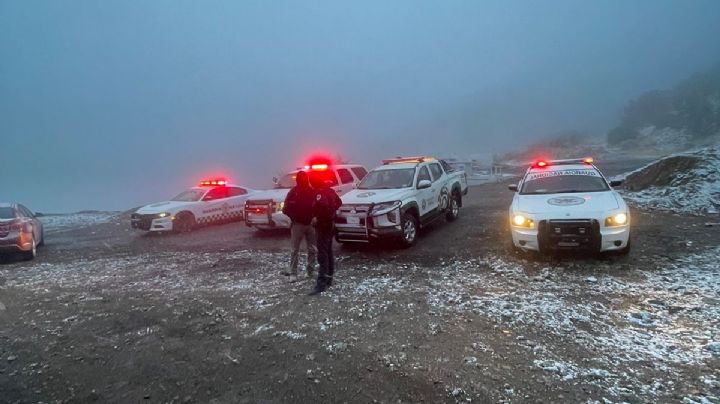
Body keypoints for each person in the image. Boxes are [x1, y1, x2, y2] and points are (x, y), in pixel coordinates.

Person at [309, 174, 342, 295]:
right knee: (329, 253)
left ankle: (321, 283)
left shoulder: (320, 193)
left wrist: (318, 217)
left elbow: (324, 207)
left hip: (323, 227)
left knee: (322, 255)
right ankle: (329, 278)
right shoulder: (330, 191)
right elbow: (339, 202)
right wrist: (331, 214)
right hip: (330, 225)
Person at [281, 170, 316, 282]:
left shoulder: (311, 191)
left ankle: (309, 271)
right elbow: (285, 209)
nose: (304, 180)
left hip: (310, 224)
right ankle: (294, 273)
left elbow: (316, 206)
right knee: (295, 250)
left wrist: (315, 216)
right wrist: (294, 218)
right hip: (298, 225)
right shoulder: (293, 192)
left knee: (311, 249)